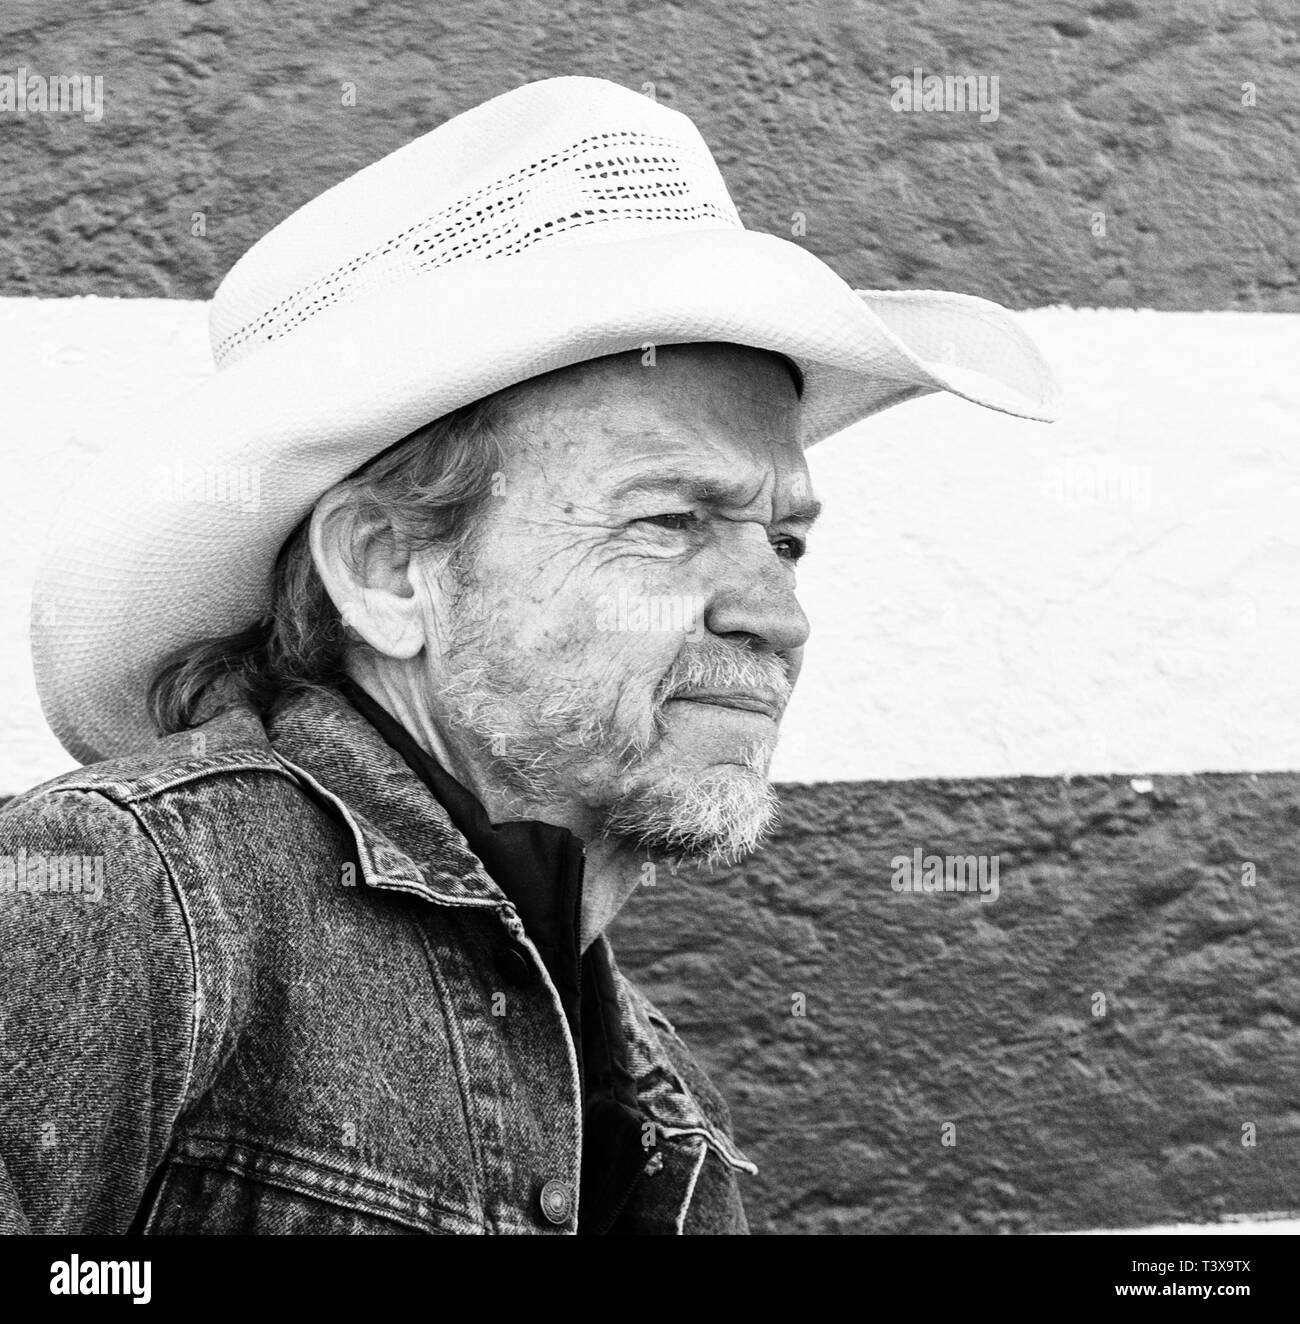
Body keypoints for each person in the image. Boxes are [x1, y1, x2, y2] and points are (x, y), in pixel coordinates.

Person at [0, 75, 1057, 1234]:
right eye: (669, 521)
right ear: (392, 570)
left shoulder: (659, 1094)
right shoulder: (130, 894)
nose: (776, 613)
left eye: (786, 540)